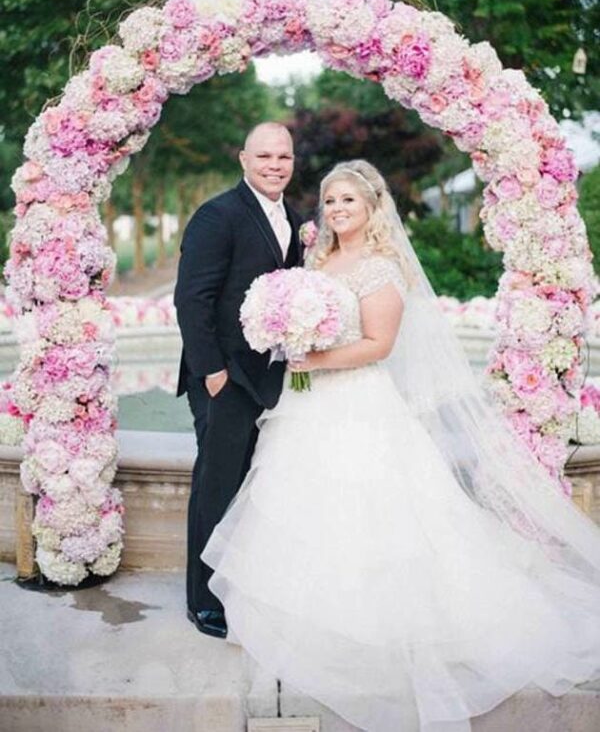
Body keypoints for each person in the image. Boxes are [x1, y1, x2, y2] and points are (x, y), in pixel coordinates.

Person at [202, 159, 600, 732]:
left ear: (371, 209)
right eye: (331, 201)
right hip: (308, 404)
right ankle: (316, 613)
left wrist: (309, 358)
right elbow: (303, 331)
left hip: (361, 404)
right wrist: (289, 347)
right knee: (302, 511)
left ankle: (376, 625)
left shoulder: (382, 268)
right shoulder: (318, 259)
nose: (337, 210)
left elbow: (377, 346)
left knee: (373, 517)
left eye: (349, 202)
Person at [174, 121, 303, 639]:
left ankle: (237, 584)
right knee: (216, 485)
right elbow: (192, 298)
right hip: (223, 379)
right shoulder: (217, 215)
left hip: (264, 378)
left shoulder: (292, 219)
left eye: (284, 157)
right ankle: (203, 600)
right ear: (243, 159)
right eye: (265, 156)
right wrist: (212, 374)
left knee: (246, 486)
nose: (275, 165)